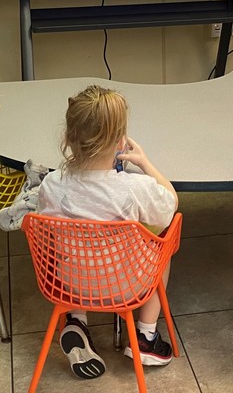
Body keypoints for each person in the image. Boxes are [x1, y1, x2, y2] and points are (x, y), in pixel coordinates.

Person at [36, 85, 178, 379]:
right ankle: (145, 338)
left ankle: (76, 319)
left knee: (70, 246)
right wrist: (145, 163)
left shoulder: (51, 184)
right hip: (127, 286)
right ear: (120, 142)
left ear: (68, 138)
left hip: (67, 282)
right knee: (165, 243)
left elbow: (46, 226)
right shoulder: (133, 188)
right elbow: (170, 205)